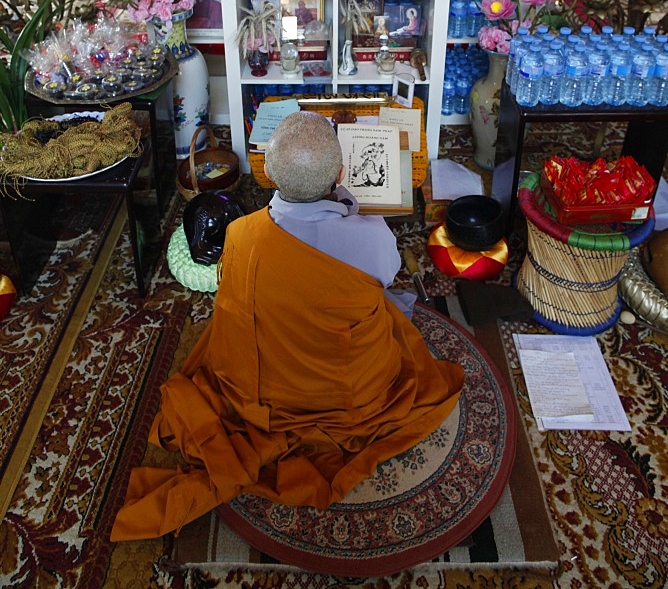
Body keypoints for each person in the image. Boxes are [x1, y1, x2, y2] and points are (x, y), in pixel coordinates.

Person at [110, 111, 464, 540]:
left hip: (262, 393)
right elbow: (385, 278)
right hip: (350, 394)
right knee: (390, 312)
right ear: (340, 172)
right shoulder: (372, 236)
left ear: (270, 173)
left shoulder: (241, 235)